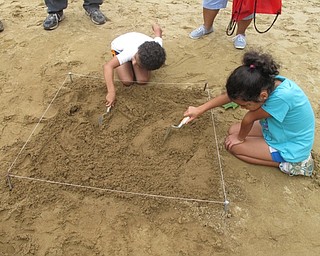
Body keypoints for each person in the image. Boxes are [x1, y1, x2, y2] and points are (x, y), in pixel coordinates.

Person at [184, 50, 315, 176]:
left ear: (263, 96)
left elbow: (249, 119)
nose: (242, 108)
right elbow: (231, 96)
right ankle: (265, 145)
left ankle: (293, 164)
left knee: (235, 147)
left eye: (245, 105)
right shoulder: (262, 82)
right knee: (232, 130)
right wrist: (199, 109)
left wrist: (240, 138)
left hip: (293, 144)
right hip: (279, 128)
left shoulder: (282, 97)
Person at [103, 23, 166, 107]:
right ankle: (127, 63)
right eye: (135, 60)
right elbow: (108, 66)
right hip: (119, 49)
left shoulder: (156, 47)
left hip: (139, 45)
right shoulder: (129, 52)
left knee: (142, 80)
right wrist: (111, 92)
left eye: (137, 64)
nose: (134, 63)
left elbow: (158, 32)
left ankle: (136, 64)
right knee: (127, 81)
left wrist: (155, 26)